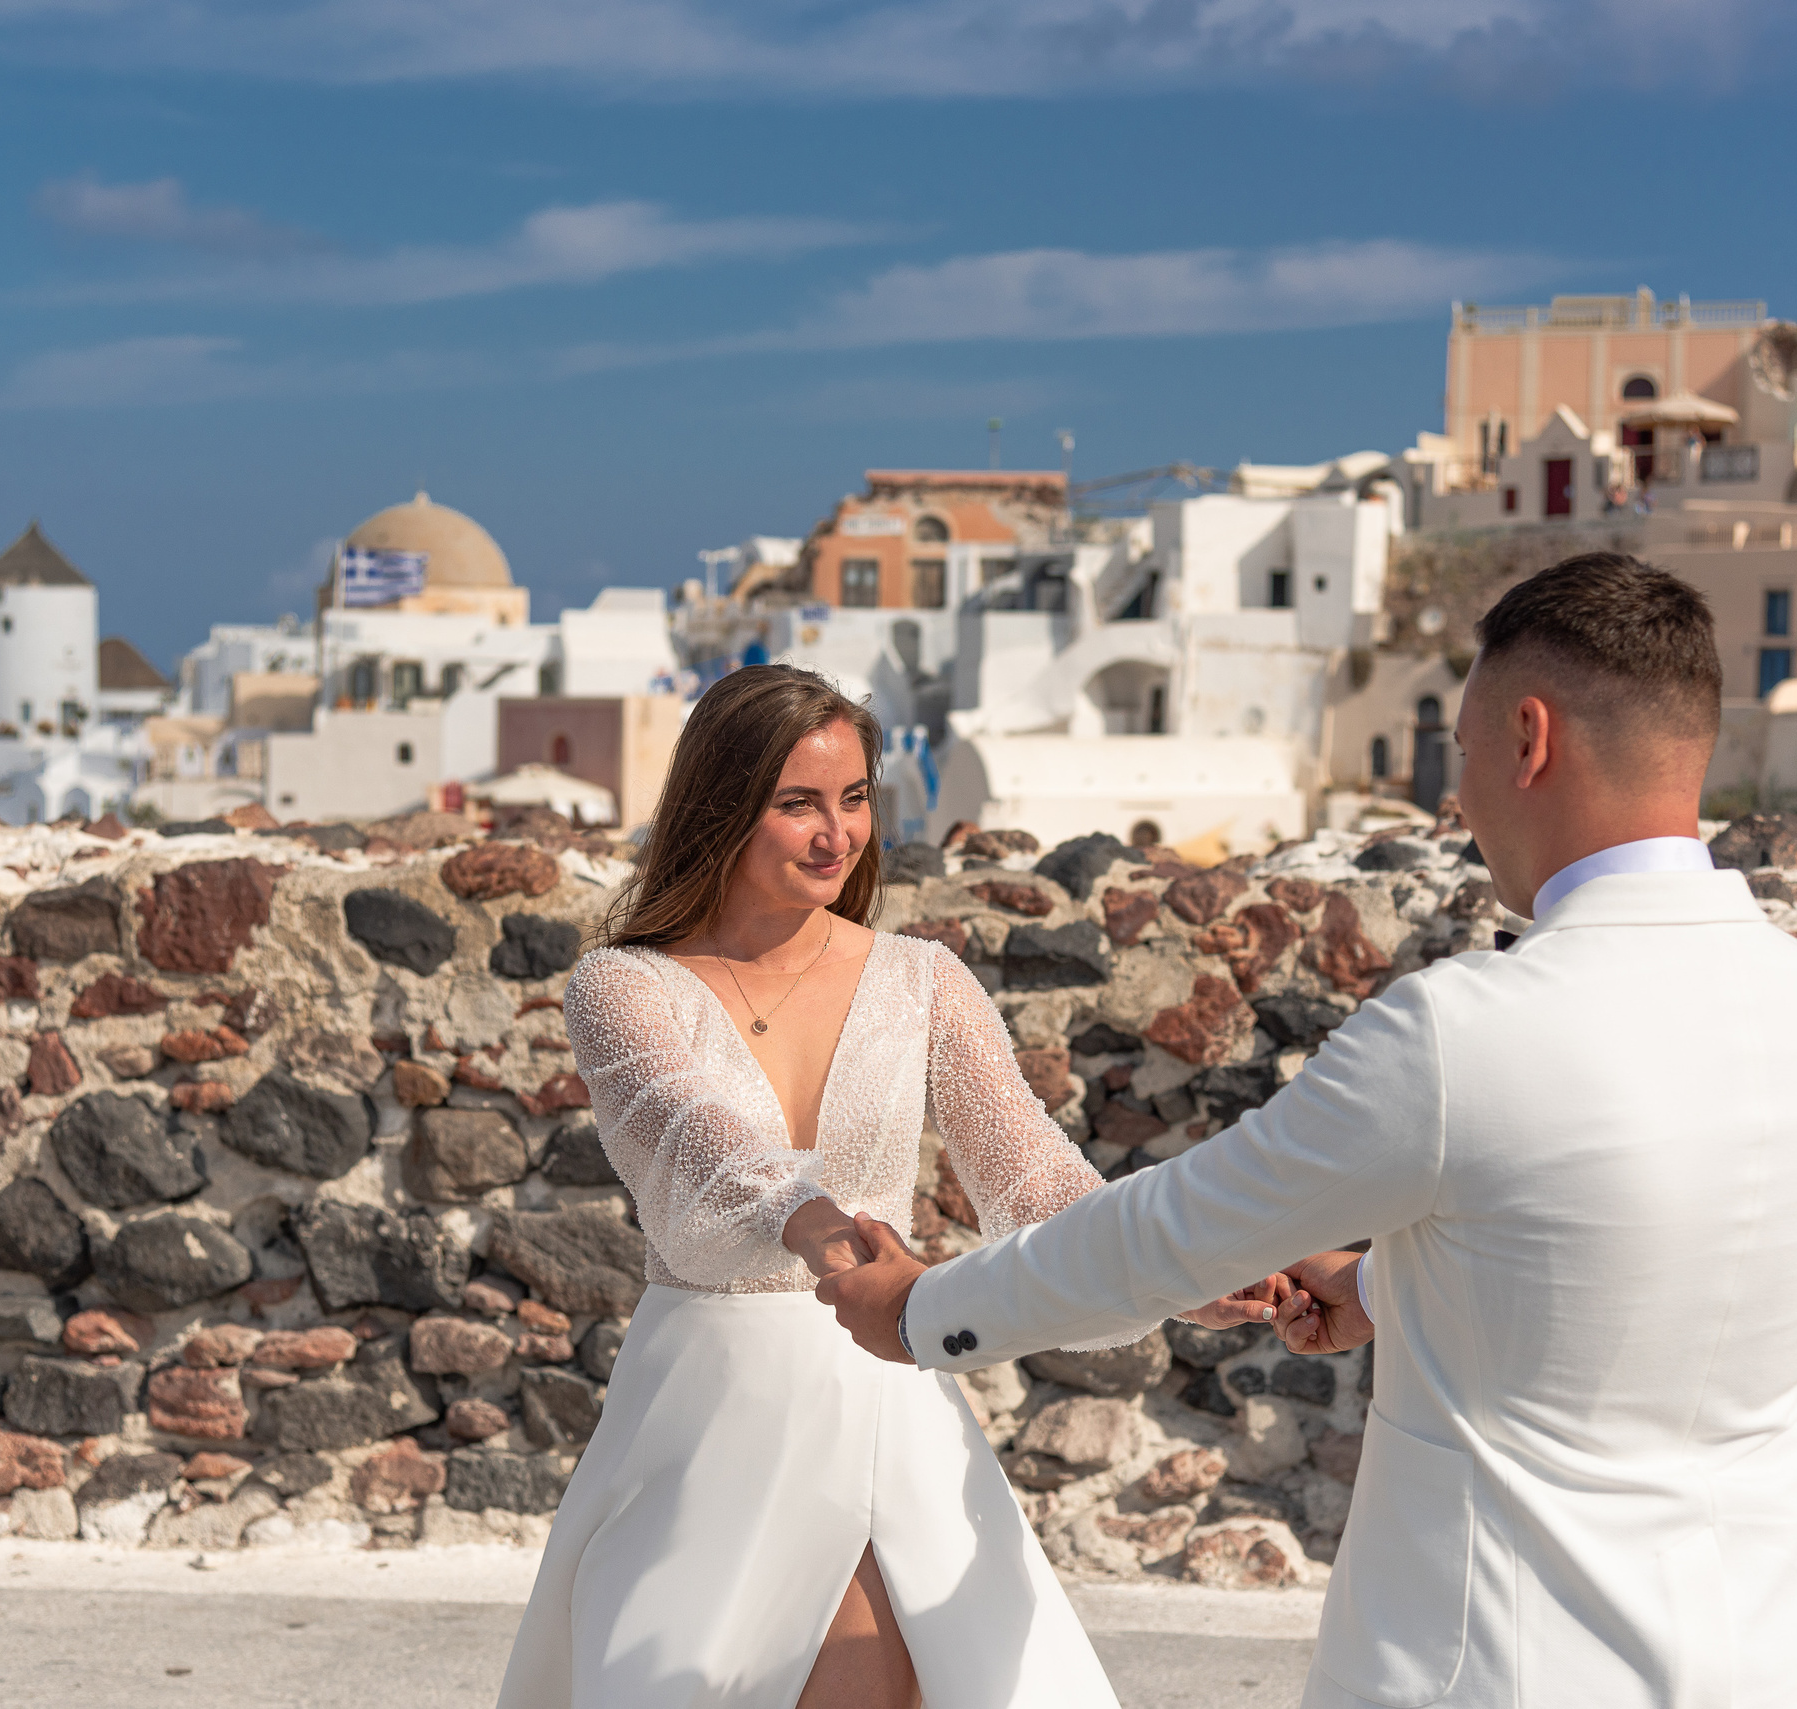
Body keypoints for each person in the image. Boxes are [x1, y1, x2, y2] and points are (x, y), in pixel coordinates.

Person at [823, 555, 1797, 1709]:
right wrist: (1389, 1289)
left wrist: (921, 1311)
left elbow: (1170, 1235)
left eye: (1464, 750)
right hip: (1766, 1658)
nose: (1460, 798)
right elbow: (1632, 1268)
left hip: (1494, 1663)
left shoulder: (1464, 1033)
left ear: (1529, 738)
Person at [496, 665, 1277, 1709]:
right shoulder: (624, 984)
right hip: (707, 1404)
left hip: (884, 1373)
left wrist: (1179, 1273)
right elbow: (696, 1132)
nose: (836, 833)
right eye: (797, 802)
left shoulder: (923, 977)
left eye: (854, 797)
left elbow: (1031, 1170)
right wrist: (811, 1221)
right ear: (721, 805)